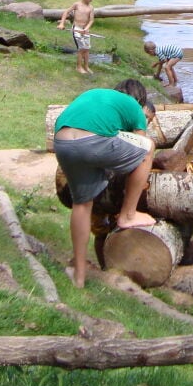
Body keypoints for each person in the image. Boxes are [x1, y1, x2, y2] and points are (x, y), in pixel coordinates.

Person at [53, 79, 159, 288]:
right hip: (91, 142)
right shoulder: (135, 108)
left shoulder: (96, 94)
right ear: (141, 102)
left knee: (82, 205)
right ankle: (128, 215)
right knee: (149, 147)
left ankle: (79, 277)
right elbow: (138, 148)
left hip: (62, 142)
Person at [58, 0, 96, 74]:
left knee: (87, 49)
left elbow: (91, 20)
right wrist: (62, 23)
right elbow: (66, 12)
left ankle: (86, 66)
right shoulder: (77, 5)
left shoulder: (91, 8)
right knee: (81, 48)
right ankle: (78, 67)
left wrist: (86, 29)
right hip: (77, 29)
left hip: (85, 30)